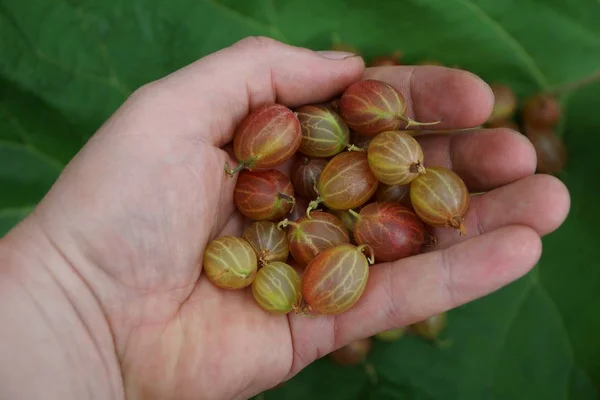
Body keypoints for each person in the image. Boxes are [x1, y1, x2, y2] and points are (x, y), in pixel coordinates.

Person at [0, 37, 570, 399]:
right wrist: (74, 300)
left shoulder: (346, 192)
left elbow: (337, 197)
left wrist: (71, 304)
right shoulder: (293, 206)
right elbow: (310, 197)